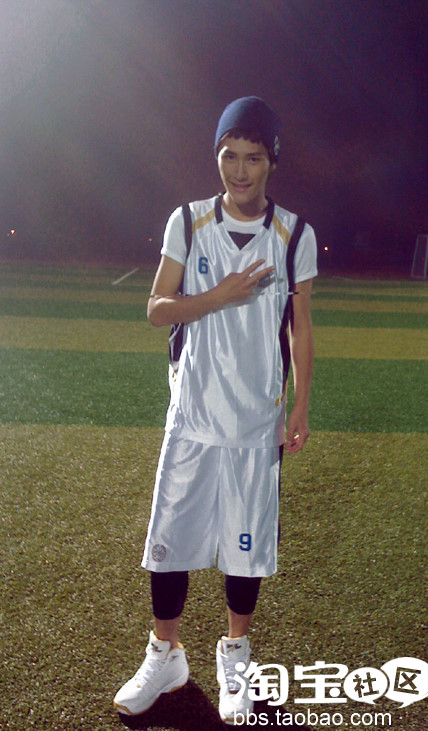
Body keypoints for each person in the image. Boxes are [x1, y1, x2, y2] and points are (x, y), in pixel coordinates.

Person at [114, 96, 317, 725]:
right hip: (193, 417)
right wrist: (219, 294)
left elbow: (300, 327)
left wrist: (300, 406)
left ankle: (236, 657)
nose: (239, 169)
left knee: (243, 552)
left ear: (272, 162)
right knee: (169, 545)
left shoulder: (294, 235)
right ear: (217, 156)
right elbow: (156, 309)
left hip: (256, 422)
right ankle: (165, 655)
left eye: (253, 157)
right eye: (229, 155)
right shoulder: (188, 221)